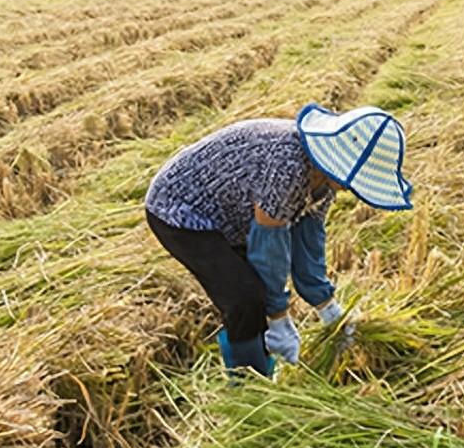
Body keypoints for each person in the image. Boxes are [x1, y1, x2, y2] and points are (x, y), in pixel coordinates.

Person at [144, 103, 413, 376]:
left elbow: (308, 241)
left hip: (234, 213)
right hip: (182, 210)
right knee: (244, 298)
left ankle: (258, 366)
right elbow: (268, 247)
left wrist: (328, 308)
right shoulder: (288, 166)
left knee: (253, 293)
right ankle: (247, 383)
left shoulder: (324, 180)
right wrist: (278, 317)